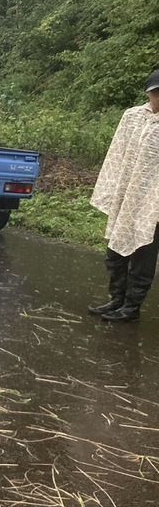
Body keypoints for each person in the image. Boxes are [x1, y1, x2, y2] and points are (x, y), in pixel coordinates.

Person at [88, 69, 159, 322]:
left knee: (143, 254)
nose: (158, 97)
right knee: (115, 251)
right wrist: (111, 189)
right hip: (126, 194)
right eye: (156, 92)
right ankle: (116, 299)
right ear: (148, 92)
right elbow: (117, 153)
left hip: (152, 202)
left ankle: (131, 308)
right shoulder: (132, 117)